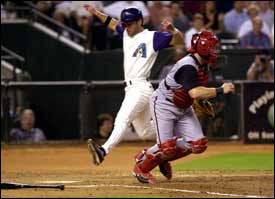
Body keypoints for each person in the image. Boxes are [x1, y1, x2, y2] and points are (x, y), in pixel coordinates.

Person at [84, 5, 183, 166]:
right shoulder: (125, 32)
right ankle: (174, 133)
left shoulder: (152, 37)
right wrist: (96, 13)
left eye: (129, 23)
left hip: (141, 87)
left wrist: (173, 29)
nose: (126, 26)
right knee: (144, 132)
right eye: (125, 24)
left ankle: (103, 151)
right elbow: (112, 22)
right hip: (131, 89)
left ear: (139, 21)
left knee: (122, 118)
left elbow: (179, 41)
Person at [132, 30, 235, 184]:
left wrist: (201, 100)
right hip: (164, 104)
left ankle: (160, 158)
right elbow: (194, 92)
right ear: (203, 47)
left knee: (198, 145)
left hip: (184, 107)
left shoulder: (203, 64)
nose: (214, 51)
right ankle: (141, 166)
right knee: (167, 148)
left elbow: (192, 92)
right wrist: (220, 90)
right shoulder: (188, 66)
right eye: (212, 47)